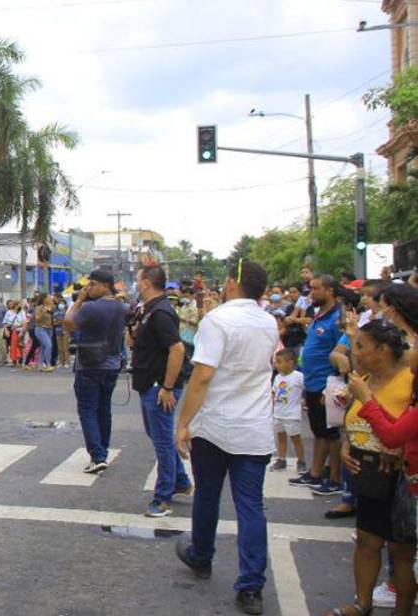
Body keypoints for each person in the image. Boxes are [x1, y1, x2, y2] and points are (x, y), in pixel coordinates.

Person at [174, 259, 277, 616]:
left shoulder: (217, 320)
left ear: (232, 283)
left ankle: (201, 556)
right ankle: (251, 587)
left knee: (207, 494)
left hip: (215, 424)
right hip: (254, 426)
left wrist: (183, 422)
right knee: (251, 506)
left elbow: (202, 376)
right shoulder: (268, 322)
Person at [328, 320, 416, 616]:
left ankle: (402, 611)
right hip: (367, 475)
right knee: (367, 540)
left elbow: (406, 429)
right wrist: (346, 443)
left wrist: (401, 448)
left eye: (361, 346)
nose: (355, 353)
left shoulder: (409, 381)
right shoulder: (363, 379)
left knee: (401, 550)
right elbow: (353, 416)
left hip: (401, 478)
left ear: (383, 350)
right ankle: (362, 604)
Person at [129, 265, 193, 518]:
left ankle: (163, 497)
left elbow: (177, 350)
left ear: (146, 283)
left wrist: (167, 387)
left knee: (164, 441)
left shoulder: (161, 312)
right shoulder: (149, 310)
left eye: (138, 280)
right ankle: (180, 480)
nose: (135, 284)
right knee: (157, 435)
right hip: (148, 383)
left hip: (159, 387)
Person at [63, 270, 126, 474]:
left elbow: (68, 324)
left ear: (105, 286)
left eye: (93, 284)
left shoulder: (91, 307)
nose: (88, 289)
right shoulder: (121, 306)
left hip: (90, 364)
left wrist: (78, 301)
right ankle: (102, 452)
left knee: (88, 409)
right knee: (104, 409)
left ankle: (97, 455)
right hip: (112, 364)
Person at [291, 274, 344, 497]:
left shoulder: (338, 318)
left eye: (316, 289)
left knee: (331, 433)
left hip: (326, 384)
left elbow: (342, 352)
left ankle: (335, 478)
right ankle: (315, 473)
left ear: (330, 291)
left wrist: (332, 386)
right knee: (319, 431)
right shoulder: (318, 314)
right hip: (312, 383)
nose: (311, 293)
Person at [270, 349, 306, 474]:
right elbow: (274, 393)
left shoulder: (298, 376)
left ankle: (301, 461)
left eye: (279, 362)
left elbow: (306, 388)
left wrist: (305, 400)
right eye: (275, 362)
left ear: (290, 362)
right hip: (278, 413)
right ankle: (281, 459)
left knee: (296, 438)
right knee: (280, 436)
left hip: (292, 414)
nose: (276, 364)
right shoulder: (277, 377)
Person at [32, 295, 56, 372]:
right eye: (49, 298)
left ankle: (40, 365)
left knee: (43, 347)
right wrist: (44, 311)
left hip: (50, 329)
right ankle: (48, 365)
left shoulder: (52, 307)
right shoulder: (39, 308)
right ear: (44, 299)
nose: (51, 299)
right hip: (41, 329)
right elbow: (37, 318)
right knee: (49, 345)